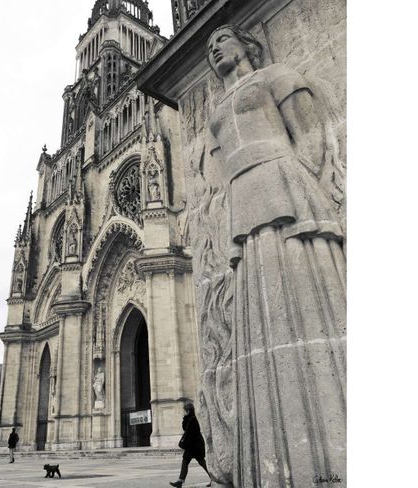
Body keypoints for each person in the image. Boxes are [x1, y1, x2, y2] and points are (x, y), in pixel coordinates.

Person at [206, 25, 346, 486]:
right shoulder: (216, 112)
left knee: (306, 296)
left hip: (285, 189)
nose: (212, 47)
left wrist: (302, 188)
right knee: (257, 321)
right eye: (208, 46)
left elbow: (311, 137)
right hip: (244, 207)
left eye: (222, 38)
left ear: (247, 44)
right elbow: (217, 178)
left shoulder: (277, 76)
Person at [170, 403, 212, 487]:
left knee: (189, 461)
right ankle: (180, 481)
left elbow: (189, 433)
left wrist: (186, 445)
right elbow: (186, 429)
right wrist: (185, 418)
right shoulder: (191, 419)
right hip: (195, 446)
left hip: (194, 446)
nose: (184, 412)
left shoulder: (191, 420)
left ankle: (180, 481)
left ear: (188, 411)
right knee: (200, 462)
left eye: (185, 411)